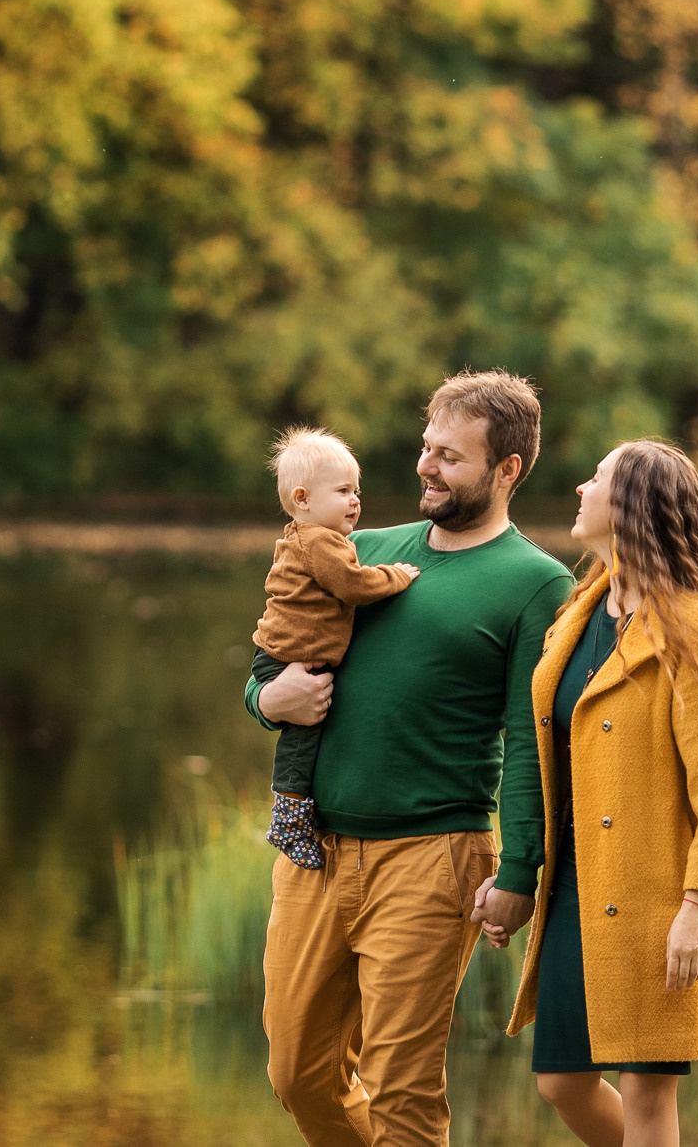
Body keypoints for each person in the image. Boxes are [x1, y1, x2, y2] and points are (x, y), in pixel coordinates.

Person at [246, 370, 571, 1146]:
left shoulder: (537, 583)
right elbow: (272, 662)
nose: (426, 465)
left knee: (402, 1092)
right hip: (313, 851)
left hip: (433, 856)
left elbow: (533, 745)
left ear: (507, 470)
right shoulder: (354, 550)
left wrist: (522, 869)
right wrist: (266, 700)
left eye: (450, 456)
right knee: (298, 1075)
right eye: (427, 447)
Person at [479, 439, 698, 1147]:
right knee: (561, 1082)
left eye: (598, 478)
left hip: (660, 896)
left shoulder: (695, 624)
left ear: (633, 503)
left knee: (645, 1093)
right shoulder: (582, 609)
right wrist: (523, 872)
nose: (580, 487)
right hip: (577, 886)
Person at [250, 426, 422, 869]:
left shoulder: (303, 538)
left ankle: (292, 810)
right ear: (303, 499)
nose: (355, 500)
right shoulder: (321, 542)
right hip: (289, 658)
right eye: (343, 490)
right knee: (301, 738)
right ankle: (288, 815)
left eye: (356, 490)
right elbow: (353, 584)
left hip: (282, 653)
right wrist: (398, 576)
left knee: (304, 733)